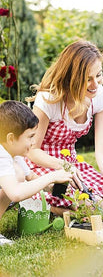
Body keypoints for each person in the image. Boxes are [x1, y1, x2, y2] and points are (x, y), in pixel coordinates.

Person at [25, 40, 103, 215]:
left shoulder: (101, 97)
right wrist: (63, 165)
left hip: (72, 166)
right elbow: (32, 150)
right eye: (87, 79)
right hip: (40, 166)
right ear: (72, 78)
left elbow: (102, 151)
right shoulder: (49, 99)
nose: (95, 85)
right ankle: (31, 200)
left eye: (98, 76)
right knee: (91, 208)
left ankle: (57, 206)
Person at [0, 101, 74, 245]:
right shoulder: (1, 154)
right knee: (17, 175)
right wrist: (51, 176)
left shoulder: (13, 153)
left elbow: (31, 177)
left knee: (20, 174)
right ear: (10, 138)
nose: (34, 142)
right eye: (30, 137)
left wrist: (51, 187)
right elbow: (15, 193)